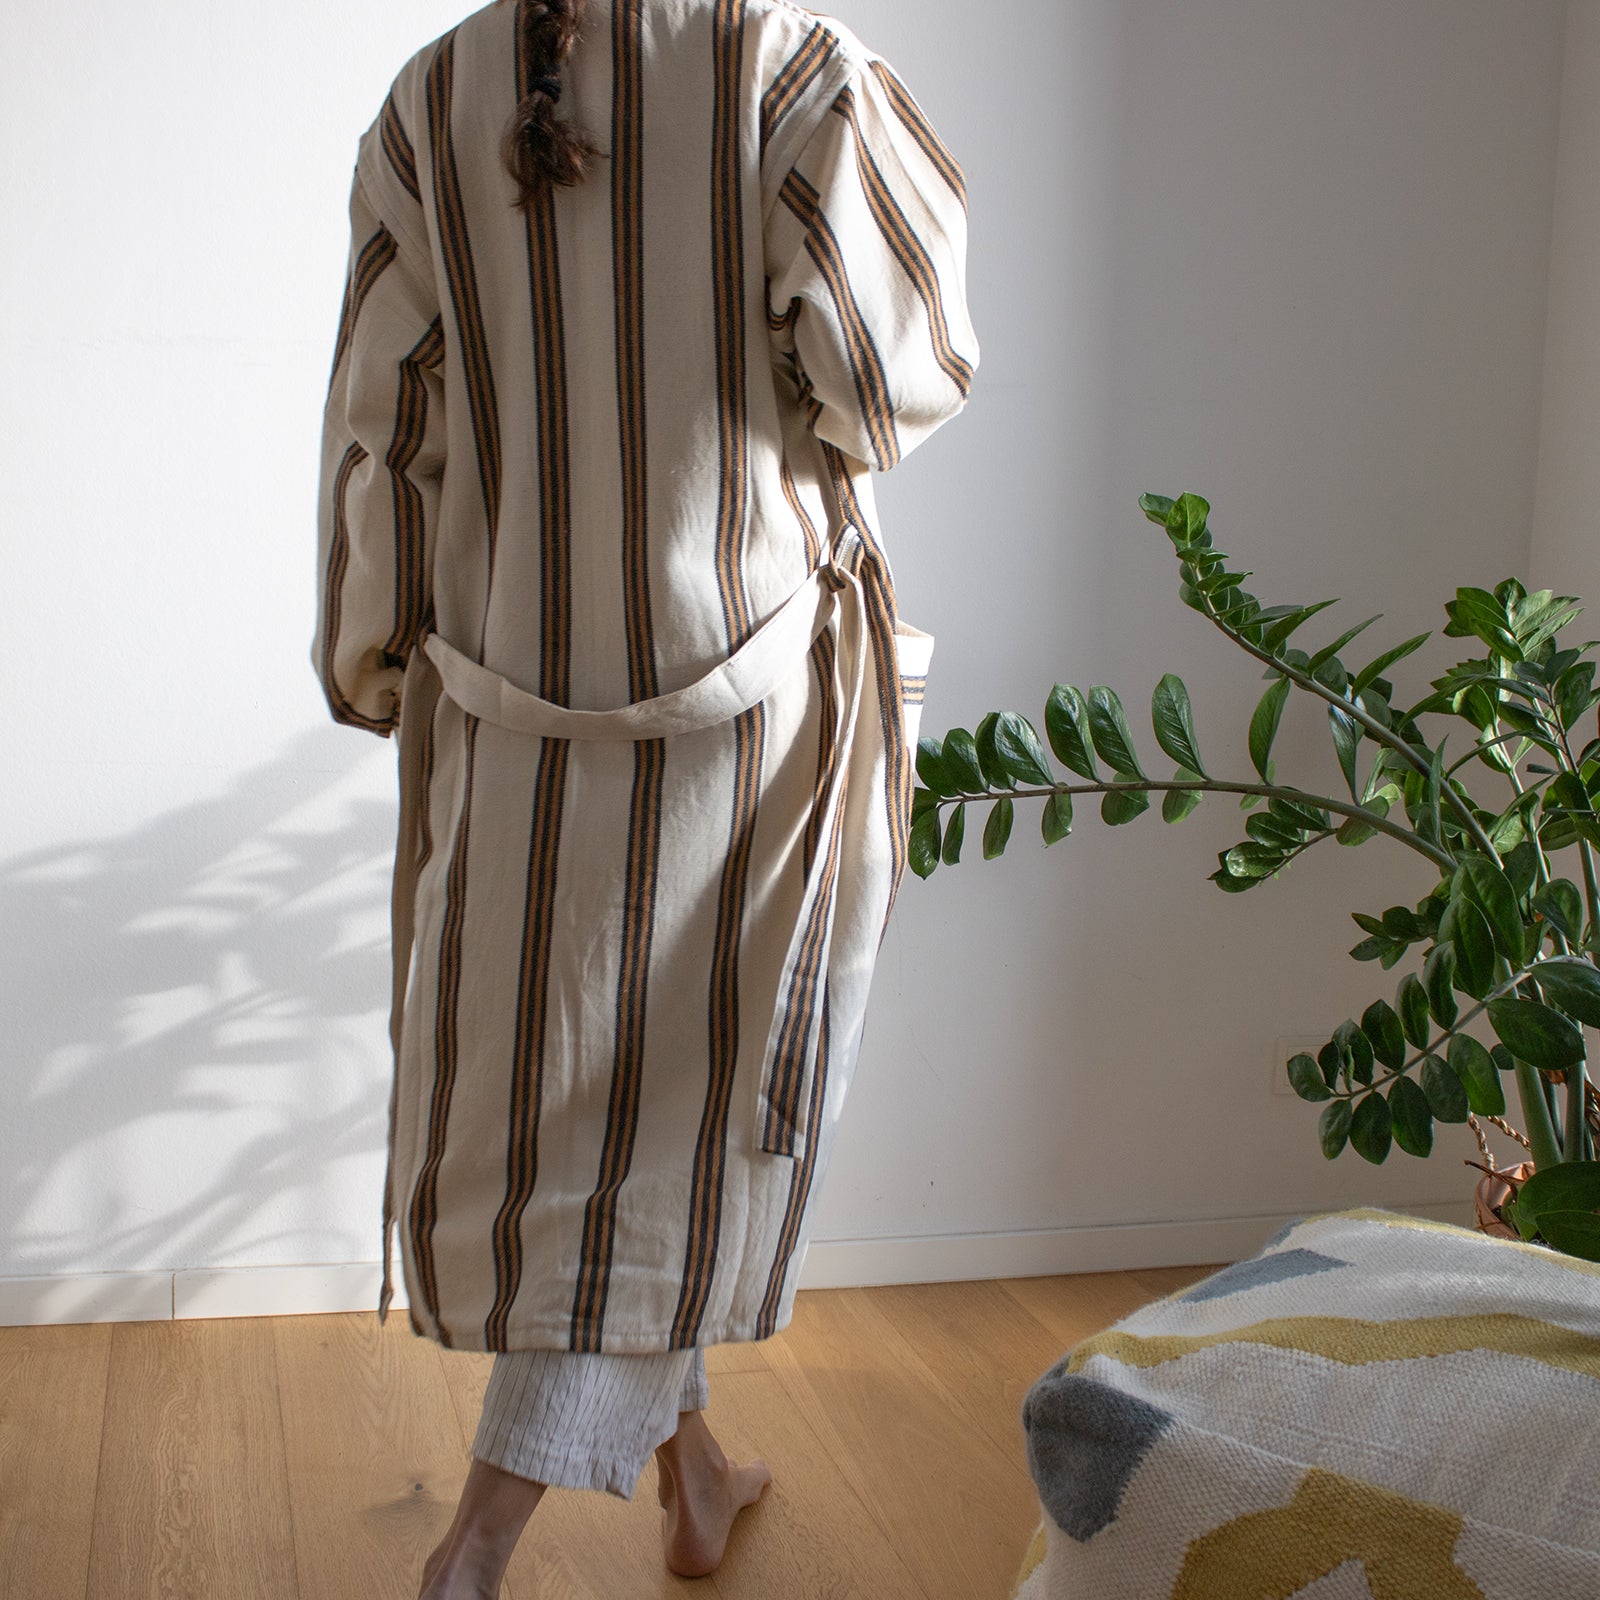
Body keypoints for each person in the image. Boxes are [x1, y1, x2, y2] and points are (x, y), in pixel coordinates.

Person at [313, 0, 976, 1592]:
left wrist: (374, 653)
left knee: (597, 1128)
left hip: (514, 715)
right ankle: (474, 1550)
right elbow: (893, 377)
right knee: (684, 1128)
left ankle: (698, 1478)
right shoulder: (795, 72)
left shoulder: (434, 97)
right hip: (746, 712)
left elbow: (382, 430)